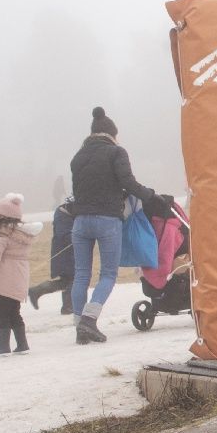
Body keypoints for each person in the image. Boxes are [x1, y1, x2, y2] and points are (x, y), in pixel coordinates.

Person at [68, 107, 165, 343]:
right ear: (111, 134)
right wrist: (151, 196)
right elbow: (128, 183)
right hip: (107, 220)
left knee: (81, 274)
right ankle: (90, 321)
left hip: (80, 222)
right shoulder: (116, 152)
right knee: (108, 274)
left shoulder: (78, 157)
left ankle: (80, 325)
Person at [0, 192, 41, 355]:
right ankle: (22, 344)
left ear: (3, 216)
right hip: (19, 277)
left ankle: (2, 346)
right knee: (14, 312)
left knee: (0, 312)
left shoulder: (0, 234)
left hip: (3, 279)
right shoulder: (20, 234)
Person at [27, 197, 75, 314]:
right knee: (72, 278)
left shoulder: (67, 213)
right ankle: (68, 307)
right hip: (64, 253)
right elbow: (64, 235)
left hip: (68, 252)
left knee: (69, 279)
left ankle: (37, 291)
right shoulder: (63, 214)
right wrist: (82, 236)